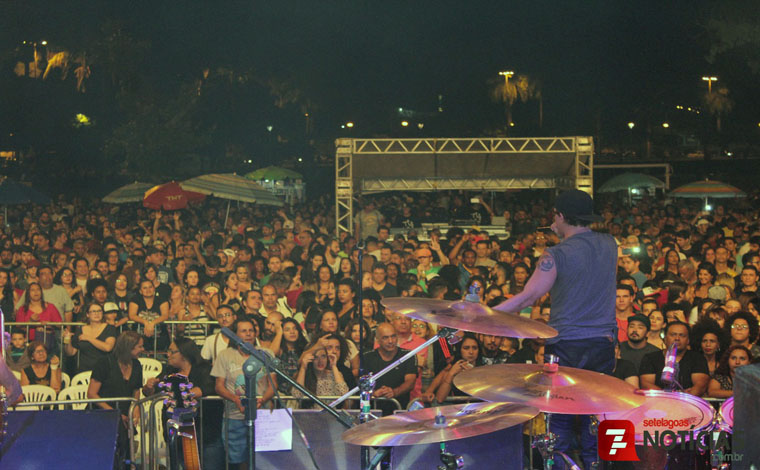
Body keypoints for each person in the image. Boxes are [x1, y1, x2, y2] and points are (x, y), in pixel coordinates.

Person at [494, 189, 617, 470]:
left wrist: (483, 315)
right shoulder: (610, 244)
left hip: (566, 344)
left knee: (559, 418)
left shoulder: (556, 253)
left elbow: (529, 296)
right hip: (603, 343)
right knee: (595, 417)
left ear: (560, 216)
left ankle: (559, 466)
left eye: (555, 215)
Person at [142, 337, 224, 469]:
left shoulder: (204, 369)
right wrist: (149, 387)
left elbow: (210, 388)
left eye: (172, 351)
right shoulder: (169, 371)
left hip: (205, 433)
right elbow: (153, 392)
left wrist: (193, 392)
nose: (168, 355)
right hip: (179, 434)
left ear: (184, 354)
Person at [211, 318, 276, 470]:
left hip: (263, 415)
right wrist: (236, 399)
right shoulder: (225, 355)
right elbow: (219, 386)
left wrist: (261, 400)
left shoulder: (266, 353)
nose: (248, 334)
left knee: (264, 460)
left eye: (251, 330)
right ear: (235, 335)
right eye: (243, 331)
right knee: (238, 462)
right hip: (234, 416)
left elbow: (273, 385)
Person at [88, 331, 144, 468]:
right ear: (128, 348)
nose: (142, 350)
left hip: (125, 417)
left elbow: (136, 391)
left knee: (125, 456)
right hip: (103, 415)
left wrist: (135, 408)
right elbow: (91, 394)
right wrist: (115, 413)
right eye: (139, 347)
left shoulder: (137, 365)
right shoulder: (104, 362)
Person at [639, 321, 710, 396]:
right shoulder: (650, 358)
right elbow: (646, 384)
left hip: (688, 403)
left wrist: (685, 398)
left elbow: (700, 385)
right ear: (665, 338)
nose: (677, 338)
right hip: (658, 403)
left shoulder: (697, 358)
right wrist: (671, 398)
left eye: (682, 335)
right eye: (673, 335)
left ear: (688, 340)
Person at [362, 323, 417, 415]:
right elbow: (361, 383)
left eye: (393, 336)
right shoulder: (367, 357)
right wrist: (373, 393)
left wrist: (394, 392)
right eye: (385, 338)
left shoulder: (408, 355)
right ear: (377, 340)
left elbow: (410, 382)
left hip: (400, 411)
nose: (390, 341)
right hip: (373, 411)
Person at [64, 302, 118, 374]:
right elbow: (71, 353)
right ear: (87, 314)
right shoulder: (81, 329)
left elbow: (107, 347)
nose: (97, 313)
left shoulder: (109, 328)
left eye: (99, 311)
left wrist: (89, 338)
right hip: (84, 370)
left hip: (104, 370)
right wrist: (67, 340)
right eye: (93, 311)